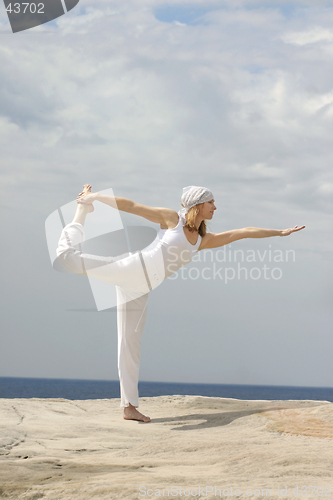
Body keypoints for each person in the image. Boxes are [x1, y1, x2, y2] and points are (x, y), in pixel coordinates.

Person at [56, 184, 305, 423]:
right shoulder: (171, 219)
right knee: (66, 258)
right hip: (132, 269)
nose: (215, 207)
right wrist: (95, 198)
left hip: (142, 287)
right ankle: (81, 212)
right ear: (198, 204)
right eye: (211, 202)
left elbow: (241, 233)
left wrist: (280, 233)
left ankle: (129, 407)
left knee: (130, 344)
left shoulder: (202, 239)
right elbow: (132, 206)